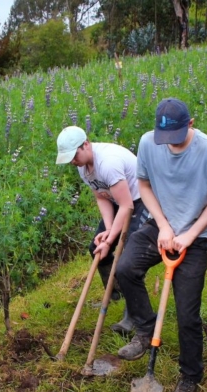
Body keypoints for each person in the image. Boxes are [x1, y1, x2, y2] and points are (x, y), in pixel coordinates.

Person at [115, 98, 207, 392]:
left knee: (187, 313)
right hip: (160, 225)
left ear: (190, 125)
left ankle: (190, 376)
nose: (169, 145)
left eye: (176, 138)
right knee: (125, 269)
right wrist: (164, 226)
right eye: (164, 139)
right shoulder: (148, 143)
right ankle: (146, 330)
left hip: (195, 235)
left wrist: (189, 235)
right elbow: (145, 184)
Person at [55, 126, 149, 334]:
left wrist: (111, 240)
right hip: (118, 201)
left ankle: (132, 315)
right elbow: (101, 196)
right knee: (96, 248)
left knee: (127, 260)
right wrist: (108, 231)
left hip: (141, 201)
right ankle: (115, 293)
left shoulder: (109, 163)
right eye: (69, 158)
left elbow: (127, 206)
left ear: (86, 144)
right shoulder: (83, 166)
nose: (72, 161)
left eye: (74, 155)